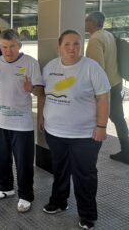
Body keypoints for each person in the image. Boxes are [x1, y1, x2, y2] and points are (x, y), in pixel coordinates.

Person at [39, 30, 110, 230]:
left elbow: (103, 98)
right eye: (67, 44)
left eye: (76, 44)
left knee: (84, 175)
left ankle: (87, 214)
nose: (72, 48)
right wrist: (42, 117)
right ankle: (59, 201)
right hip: (55, 132)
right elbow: (44, 93)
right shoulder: (51, 66)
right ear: (59, 47)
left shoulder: (91, 68)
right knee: (60, 170)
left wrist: (102, 126)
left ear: (82, 45)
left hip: (85, 135)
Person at [0, 29, 43, 213]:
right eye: (4, 47)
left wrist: (31, 88)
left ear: (19, 45)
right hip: (0, 122)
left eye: (12, 46)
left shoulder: (30, 63)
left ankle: (25, 196)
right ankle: (5, 188)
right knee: (3, 159)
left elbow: (41, 92)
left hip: (22, 123)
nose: (8, 51)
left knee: (23, 162)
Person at [85, 11, 129, 164]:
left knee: (107, 119)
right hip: (116, 82)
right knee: (118, 119)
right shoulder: (108, 35)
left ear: (93, 22)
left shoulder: (95, 40)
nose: (85, 23)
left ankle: (126, 152)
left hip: (106, 88)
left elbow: (98, 69)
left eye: (87, 20)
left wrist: (96, 93)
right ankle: (126, 151)